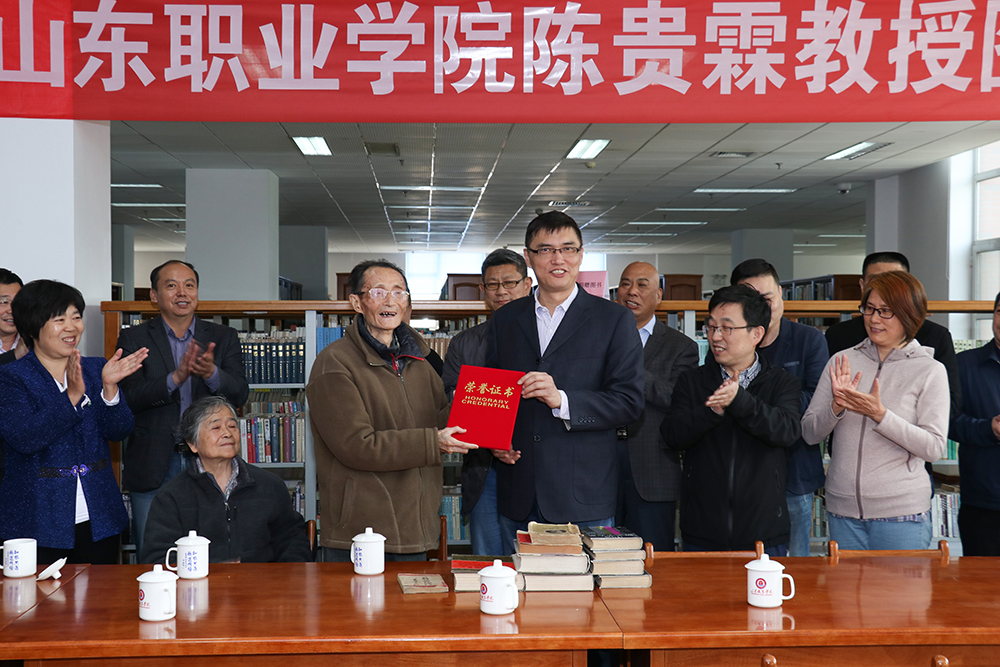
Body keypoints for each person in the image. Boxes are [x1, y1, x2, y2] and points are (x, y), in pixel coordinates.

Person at [485, 212, 644, 555]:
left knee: (584, 588)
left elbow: (629, 402)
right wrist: (494, 441)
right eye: (545, 250)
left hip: (583, 496)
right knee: (518, 585)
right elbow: (494, 392)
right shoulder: (505, 319)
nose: (558, 259)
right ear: (529, 257)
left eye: (568, 249)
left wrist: (563, 400)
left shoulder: (614, 319)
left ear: (581, 255)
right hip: (519, 491)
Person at [307, 259, 476, 561]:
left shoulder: (420, 361)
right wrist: (433, 442)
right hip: (362, 532)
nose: (390, 301)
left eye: (399, 292)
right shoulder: (334, 364)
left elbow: (440, 419)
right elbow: (357, 446)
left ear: (407, 302)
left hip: (417, 528)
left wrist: (477, 405)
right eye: (378, 292)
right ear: (356, 303)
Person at [0, 280, 148, 564]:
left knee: (102, 592)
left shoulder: (95, 368)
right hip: (37, 521)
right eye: (59, 320)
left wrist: (110, 389)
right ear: (33, 327)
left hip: (100, 516)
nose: (71, 327)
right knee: (42, 593)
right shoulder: (11, 377)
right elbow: (24, 438)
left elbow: (119, 430)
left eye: (76, 317)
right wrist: (70, 397)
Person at [802, 271, 948, 550]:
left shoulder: (930, 370)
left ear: (909, 315)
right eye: (869, 309)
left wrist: (881, 415)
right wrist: (836, 407)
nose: (873, 319)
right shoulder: (841, 360)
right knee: (843, 582)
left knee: (899, 583)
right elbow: (809, 433)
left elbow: (933, 447)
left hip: (902, 514)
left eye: (885, 311)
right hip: (842, 511)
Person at [116, 260, 249, 557]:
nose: (182, 292)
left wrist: (211, 374)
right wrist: (174, 379)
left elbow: (241, 393)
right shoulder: (134, 338)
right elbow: (128, 397)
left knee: (214, 550)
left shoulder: (222, 337)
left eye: (189, 285)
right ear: (154, 295)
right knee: (154, 552)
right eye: (171, 285)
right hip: (153, 461)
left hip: (209, 459)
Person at [662, 285, 801, 555]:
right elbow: (671, 435)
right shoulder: (692, 381)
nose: (716, 336)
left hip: (764, 532)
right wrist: (712, 411)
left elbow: (786, 431)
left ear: (756, 334)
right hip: (702, 530)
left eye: (727, 328)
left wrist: (740, 401)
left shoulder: (783, 383)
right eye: (712, 327)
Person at [731, 259, 829, 556]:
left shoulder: (809, 340)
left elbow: (815, 400)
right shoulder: (728, 341)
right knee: (743, 564)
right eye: (750, 300)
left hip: (793, 472)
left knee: (794, 565)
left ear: (781, 296)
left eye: (767, 298)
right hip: (741, 472)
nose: (761, 307)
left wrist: (750, 404)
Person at [141, 396, 312, 564]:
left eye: (232, 426)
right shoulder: (172, 496)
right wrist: (216, 568)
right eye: (216, 427)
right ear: (192, 443)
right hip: (200, 581)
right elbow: (157, 557)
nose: (227, 433)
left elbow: (293, 542)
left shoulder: (271, 486)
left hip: (261, 580)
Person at [442, 248, 532, 556]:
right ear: (483, 290)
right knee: (488, 560)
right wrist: (492, 439)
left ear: (527, 284)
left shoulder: (548, 338)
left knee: (535, 562)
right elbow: (451, 399)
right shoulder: (464, 343)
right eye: (493, 284)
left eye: (510, 282)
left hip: (536, 468)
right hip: (483, 468)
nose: (501, 291)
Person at [614, 261, 698, 552]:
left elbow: (677, 399)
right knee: (601, 556)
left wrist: (631, 367)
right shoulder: (599, 340)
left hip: (653, 470)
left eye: (642, 285)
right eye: (625, 284)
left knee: (653, 560)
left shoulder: (681, 346)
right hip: (602, 467)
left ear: (658, 296)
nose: (632, 291)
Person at [825, 251, 960, 417]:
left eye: (895, 281)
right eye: (876, 280)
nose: (885, 287)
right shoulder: (839, 335)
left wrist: (883, 415)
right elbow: (820, 408)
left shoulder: (936, 336)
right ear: (862, 285)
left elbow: (950, 406)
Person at [949, 292, 1000, 556]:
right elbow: (947, 422)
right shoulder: (964, 365)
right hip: (983, 504)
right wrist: (987, 429)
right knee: (979, 580)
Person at [0, 268, 23, 359]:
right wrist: (14, 356)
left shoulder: (36, 343)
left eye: (17, 302)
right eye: (4, 302)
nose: (11, 310)